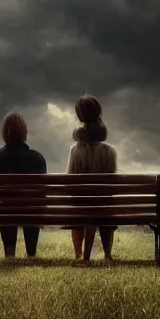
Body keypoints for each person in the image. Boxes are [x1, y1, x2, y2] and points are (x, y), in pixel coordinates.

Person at [65, 95, 118, 265]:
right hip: (104, 206)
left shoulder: (75, 151)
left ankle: (79, 254)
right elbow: (111, 186)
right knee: (104, 207)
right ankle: (107, 255)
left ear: (80, 116)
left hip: (81, 205)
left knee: (79, 210)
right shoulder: (110, 152)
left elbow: (70, 182)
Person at [0, 112, 47, 258]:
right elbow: (42, 191)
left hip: (6, 210)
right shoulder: (37, 158)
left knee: (6, 207)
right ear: (24, 132)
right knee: (33, 207)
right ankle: (31, 253)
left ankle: (9, 252)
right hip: (31, 210)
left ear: (5, 132)